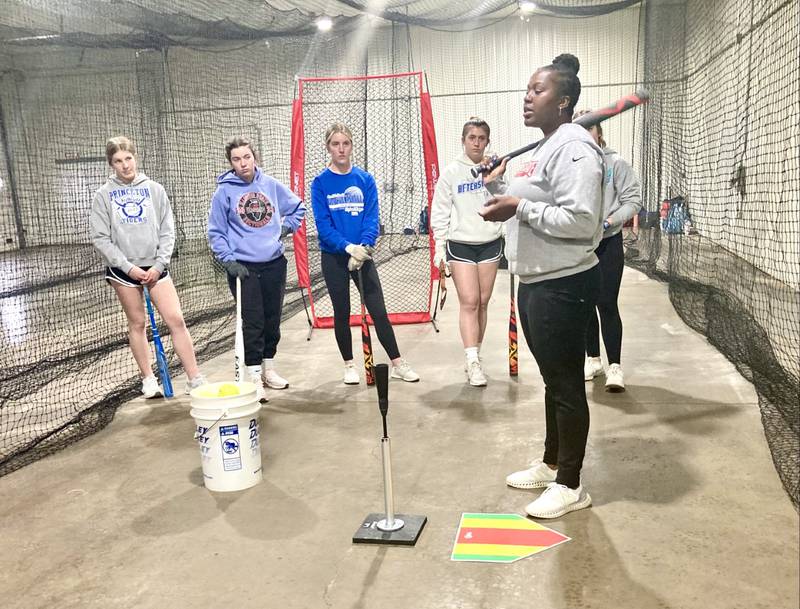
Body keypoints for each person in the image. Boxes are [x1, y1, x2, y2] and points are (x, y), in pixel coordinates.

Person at [479, 54, 604, 519]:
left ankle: (571, 485)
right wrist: (497, 189)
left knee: (567, 385)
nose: (527, 98)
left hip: (564, 283)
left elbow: (581, 219)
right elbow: (521, 205)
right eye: (527, 91)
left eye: (538, 91)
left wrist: (519, 208)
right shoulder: (541, 149)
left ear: (565, 101)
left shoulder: (574, 147)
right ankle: (553, 463)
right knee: (553, 382)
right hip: (534, 281)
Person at [90, 136, 205, 398]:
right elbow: (100, 237)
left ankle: (195, 378)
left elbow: (168, 230)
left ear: (135, 157)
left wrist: (159, 263)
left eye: (128, 158)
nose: (125, 165)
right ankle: (148, 379)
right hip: (124, 271)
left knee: (175, 319)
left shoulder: (155, 189)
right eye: (118, 161)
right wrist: (128, 268)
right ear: (111, 164)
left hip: (156, 267)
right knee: (138, 323)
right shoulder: (103, 195)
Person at [310, 123, 419, 385]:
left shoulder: (364, 180)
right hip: (335, 256)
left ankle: (397, 363)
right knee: (342, 312)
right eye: (336, 144)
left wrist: (364, 247)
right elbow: (323, 225)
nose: (341, 149)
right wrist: (348, 248)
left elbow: (372, 218)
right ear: (328, 147)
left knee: (378, 310)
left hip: (363, 255)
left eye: (345, 143)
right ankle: (349, 365)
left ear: (351, 146)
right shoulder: (320, 183)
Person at [208, 137, 305, 402]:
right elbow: (216, 231)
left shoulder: (271, 185)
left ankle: (268, 369)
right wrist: (228, 259)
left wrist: (285, 228)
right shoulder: (224, 192)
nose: (243, 163)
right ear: (231, 163)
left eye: (247, 157)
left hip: (273, 263)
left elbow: (298, 207)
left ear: (255, 157)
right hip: (243, 268)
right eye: (237, 159)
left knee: (273, 319)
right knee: (253, 321)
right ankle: (252, 374)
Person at [430, 117, 505, 386]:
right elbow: (439, 211)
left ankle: (476, 355)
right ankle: (471, 360)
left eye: (481, 138)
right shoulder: (451, 172)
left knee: (483, 303)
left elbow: (503, 199)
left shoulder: (494, 168)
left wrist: (494, 177)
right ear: (463, 140)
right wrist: (439, 249)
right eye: (471, 137)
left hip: (489, 242)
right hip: (460, 244)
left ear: (487, 141)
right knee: (470, 301)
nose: (476, 142)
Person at [575, 112, 643, 392]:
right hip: (580, 245)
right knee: (585, 304)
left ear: (598, 133)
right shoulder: (572, 166)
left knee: (606, 303)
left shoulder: (616, 163)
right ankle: (593, 359)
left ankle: (614, 366)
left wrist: (611, 221)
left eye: (588, 129)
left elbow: (633, 200)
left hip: (608, 241)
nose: (584, 137)